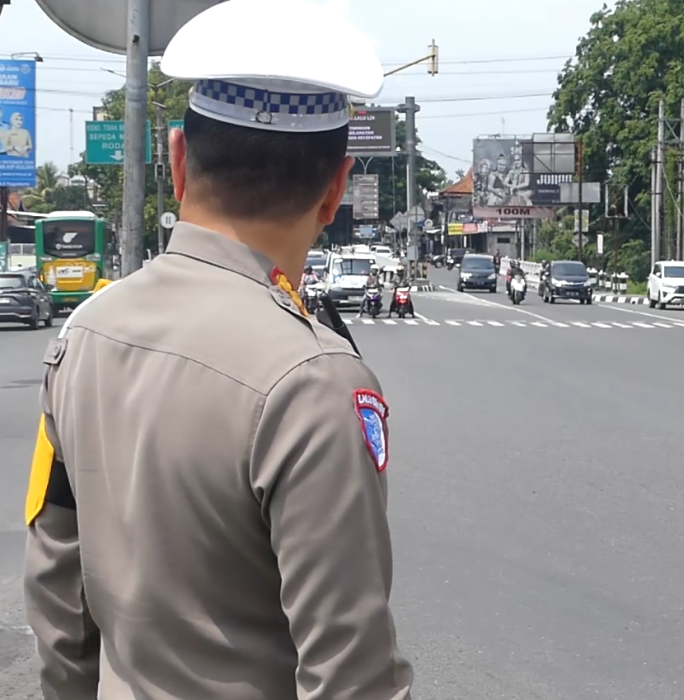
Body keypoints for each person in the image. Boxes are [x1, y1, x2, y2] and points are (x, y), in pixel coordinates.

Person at [22, 2, 413, 699]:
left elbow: (57, 600)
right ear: (334, 190)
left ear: (177, 159)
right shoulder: (314, 383)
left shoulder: (81, 336)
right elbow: (352, 676)